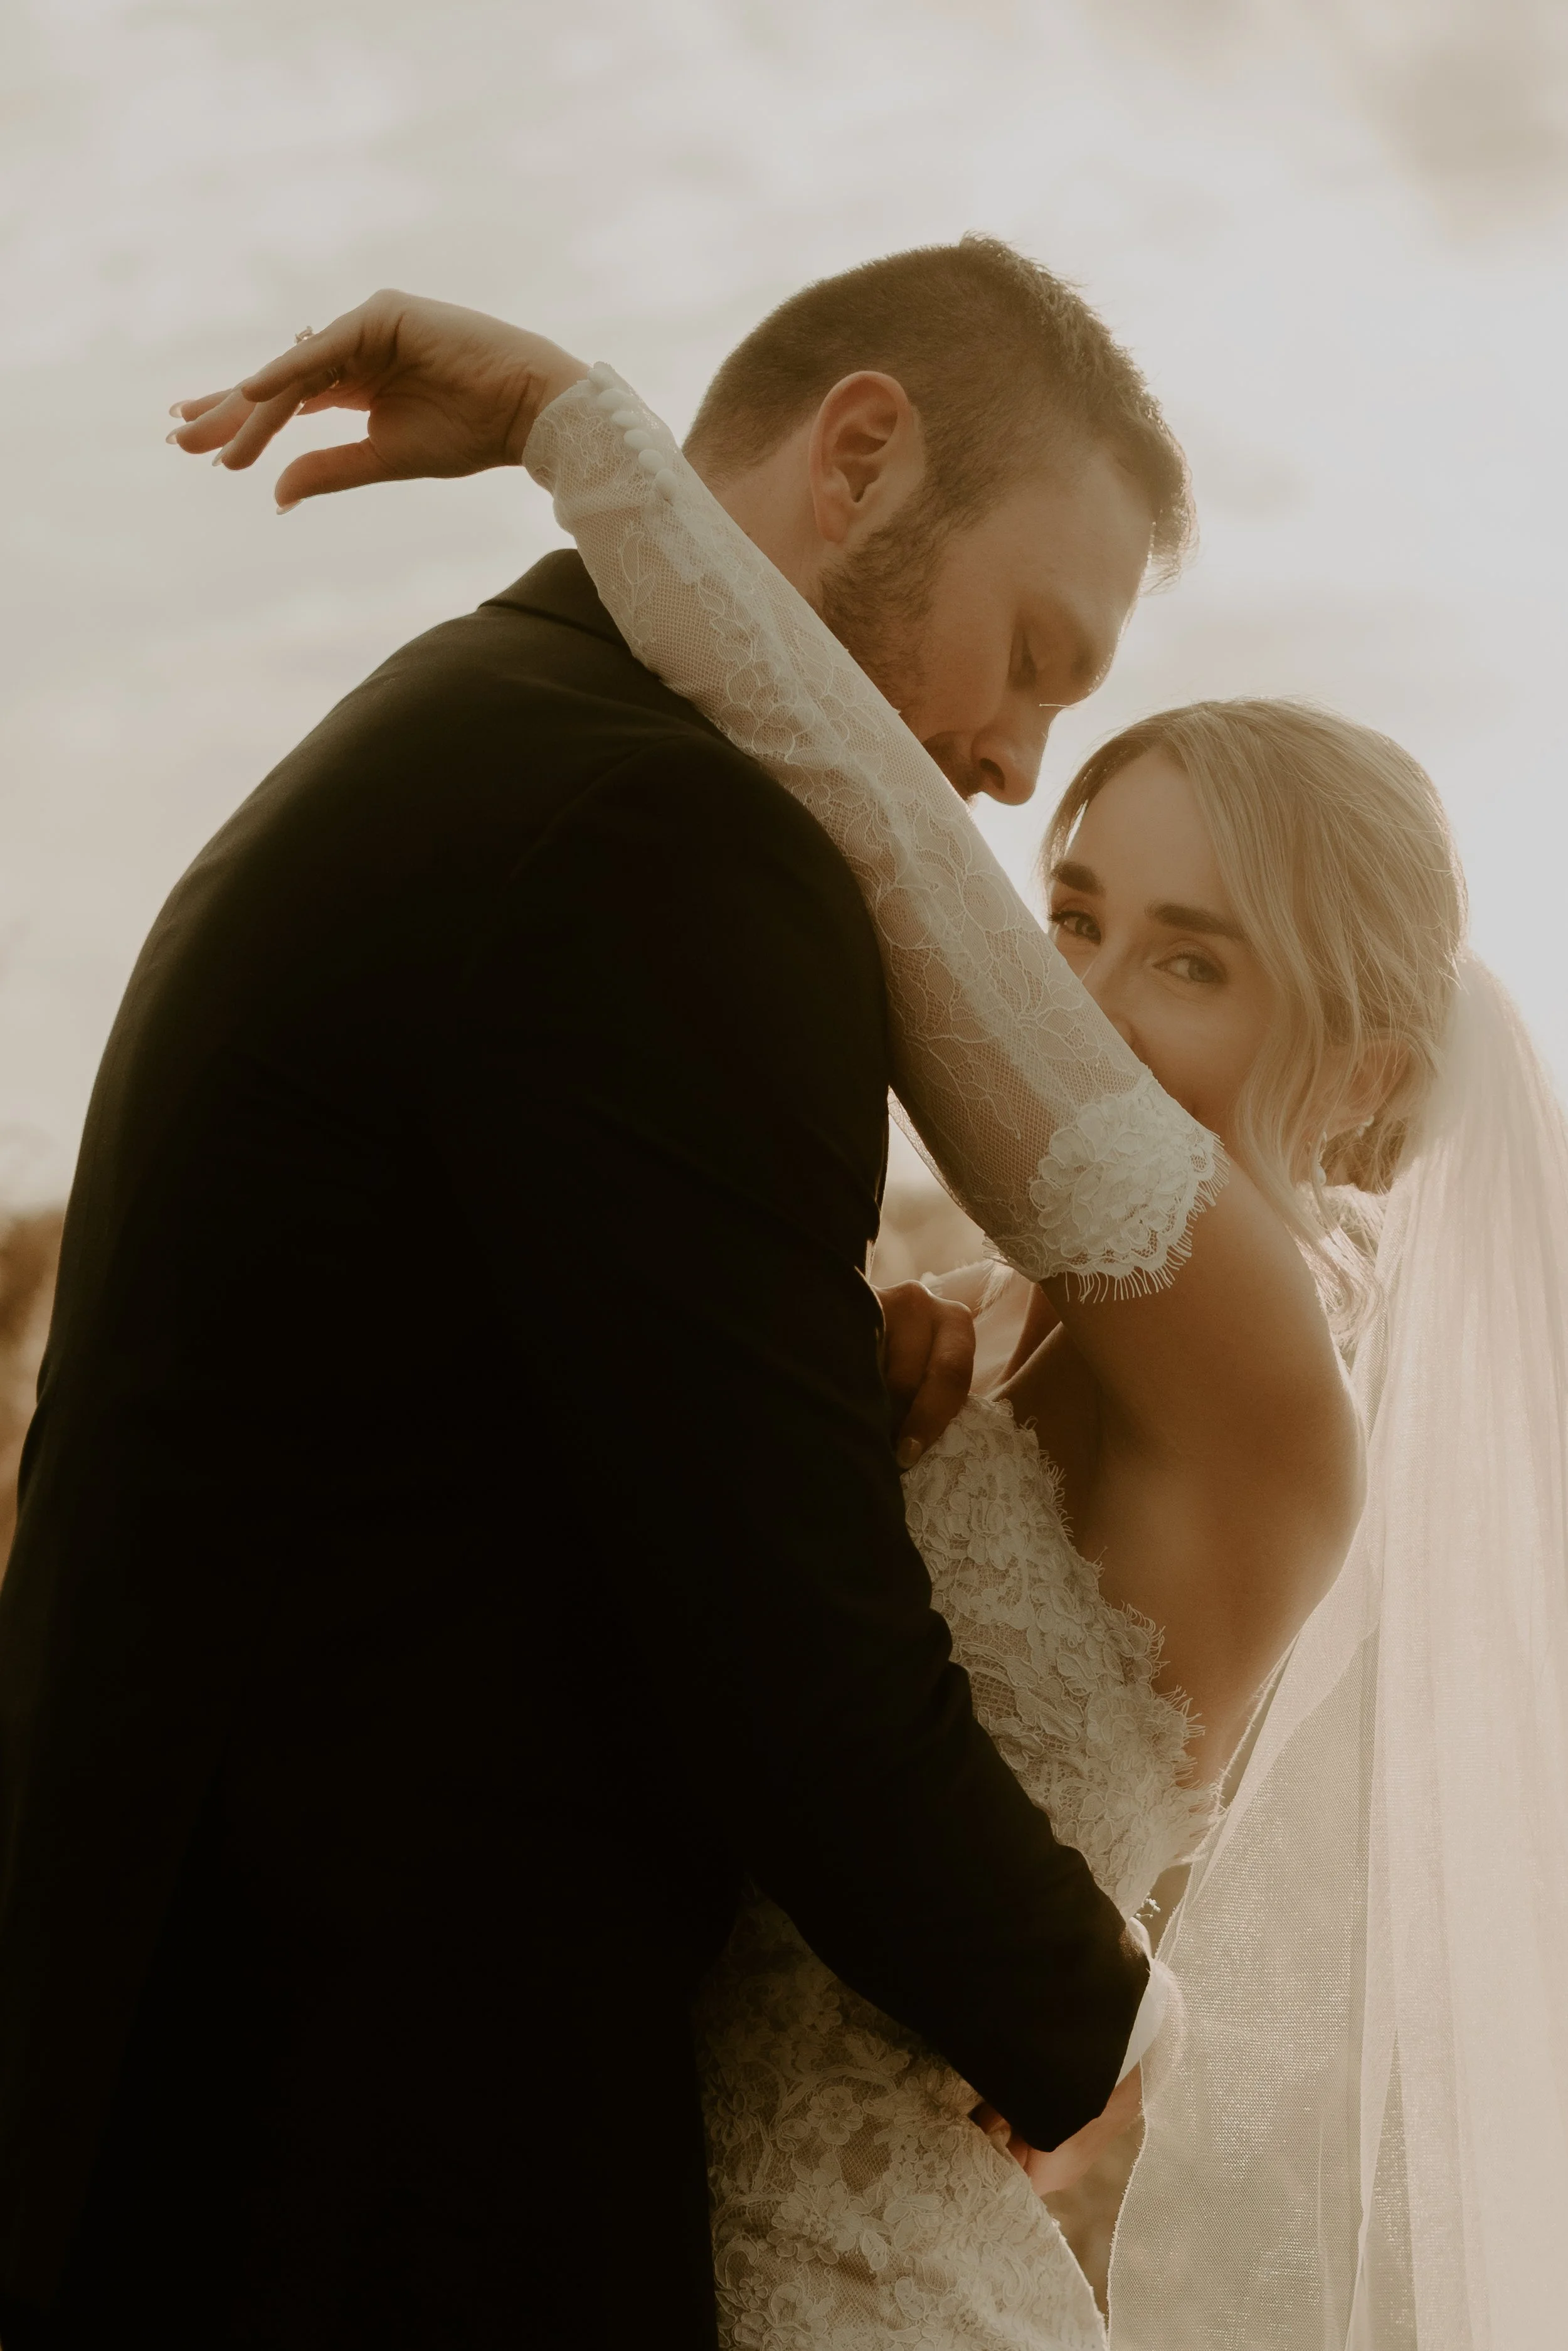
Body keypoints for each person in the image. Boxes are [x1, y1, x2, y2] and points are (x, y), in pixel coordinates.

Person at [188, 289, 1567, 2348]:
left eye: (1191, 962)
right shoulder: (1002, 1323)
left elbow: (894, 858)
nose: (1086, 1000)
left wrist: (583, 431)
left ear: (1362, 1081)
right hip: (633, 2232)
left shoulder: (1268, 1364)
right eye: (1079, 914)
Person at [0, 244, 1231, 2351]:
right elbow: (790, 1662)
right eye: (1031, 652)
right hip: (347, 2178)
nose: (1019, 759)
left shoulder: (472, 720)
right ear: (859, 455)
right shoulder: (667, 840)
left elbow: (509, 1466)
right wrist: (1108, 2022)